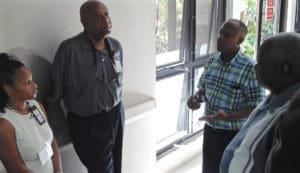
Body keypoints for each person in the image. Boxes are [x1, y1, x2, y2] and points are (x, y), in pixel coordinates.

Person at [48, 0, 124, 173]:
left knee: (116, 164)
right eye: (97, 16)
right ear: (84, 21)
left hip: (116, 114)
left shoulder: (115, 46)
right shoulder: (69, 50)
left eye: (106, 14)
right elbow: (54, 92)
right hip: (88, 123)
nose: (106, 20)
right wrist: (41, 126)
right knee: (101, 169)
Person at [187, 19, 265, 173]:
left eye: (226, 35)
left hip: (234, 136)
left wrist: (229, 115)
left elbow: (257, 106)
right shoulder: (212, 61)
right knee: (209, 170)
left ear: (240, 40)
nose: (220, 37)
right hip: (210, 132)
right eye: (220, 32)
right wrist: (195, 99)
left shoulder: (249, 68)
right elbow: (202, 90)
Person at [219, 32, 300, 173]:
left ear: (285, 69)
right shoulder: (276, 96)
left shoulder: (292, 118)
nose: (255, 67)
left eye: (261, 62)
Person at [0, 53, 62, 173]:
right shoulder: (5, 125)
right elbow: (17, 169)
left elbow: (51, 141)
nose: (35, 86)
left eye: (32, 80)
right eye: (27, 82)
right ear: (8, 89)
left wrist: (58, 170)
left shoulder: (36, 106)